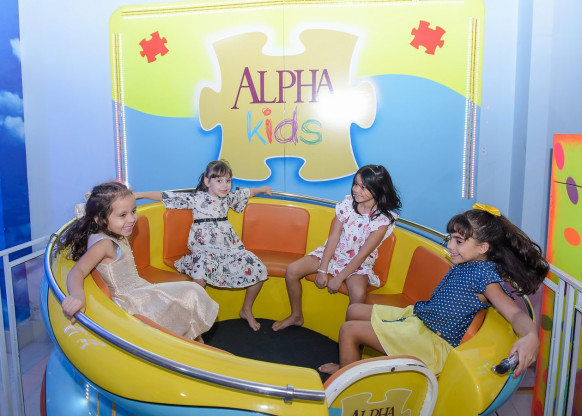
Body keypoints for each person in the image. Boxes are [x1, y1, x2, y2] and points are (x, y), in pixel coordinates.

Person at [318, 204, 550, 377]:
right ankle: (350, 364)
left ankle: (349, 380)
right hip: (420, 319)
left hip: (430, 342)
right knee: (355, 310)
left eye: (459, 241)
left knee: (348, 330)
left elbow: (515, 314)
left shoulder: (485, 276)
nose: (450, 246)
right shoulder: (469, 263)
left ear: (483, 247)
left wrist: (531, 337)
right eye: (451, 239)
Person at [57, 182, 218, 342]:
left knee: (187, 295)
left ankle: (194, 339)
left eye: (133, 211)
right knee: (192, 292)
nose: (131, 219)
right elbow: (77, 271)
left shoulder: (114, 232)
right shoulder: (104, 244)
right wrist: (77, 296)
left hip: (139, 288)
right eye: (122, 215)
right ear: (100, 219)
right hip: (131, 301)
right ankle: (193, 341)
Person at [135, 160, 272, 331]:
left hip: (228, 247)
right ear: (207, 182)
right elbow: (166, 196)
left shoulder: (228, 198)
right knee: (199, 276)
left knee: (259, 268)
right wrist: (139, 195)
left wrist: (263, 189)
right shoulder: (197, 198)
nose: (225, 185)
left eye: (228, 181)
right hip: (203, 247)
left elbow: (248, 192)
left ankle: (246, 309)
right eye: (219, 180)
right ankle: (193, 320)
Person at [272, 164, 402, 331]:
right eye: (355, 184)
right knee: (292, 270)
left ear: (377, 189)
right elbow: (333, 237)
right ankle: (296, 315)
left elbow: (362, 255)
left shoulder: (382, 220)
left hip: (357, 264)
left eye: (363, 187)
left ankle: (351, 335)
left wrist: (339, 278)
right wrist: (323, 270)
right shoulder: (347, 205)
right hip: (333, 253)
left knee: (358, 294)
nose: (356, 190)